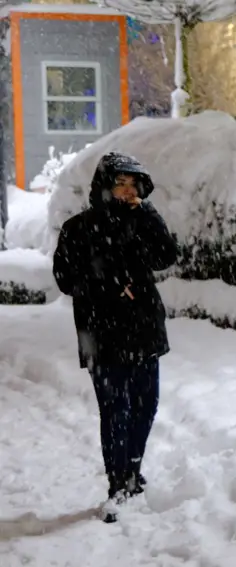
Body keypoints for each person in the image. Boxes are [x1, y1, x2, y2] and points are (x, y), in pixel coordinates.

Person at [52, 152, 178, 522]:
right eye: (118, 183)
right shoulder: (78, 228)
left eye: (131, 184)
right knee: (115, 410)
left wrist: (149, 214)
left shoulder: (142, 221)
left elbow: (165, 256)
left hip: (143, 331)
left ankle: (133, 471)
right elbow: (66, 279)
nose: (126, 190)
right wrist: (109, 286)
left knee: (145, 405)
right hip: (101, 333)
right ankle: (117, 485)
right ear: (103, 186)